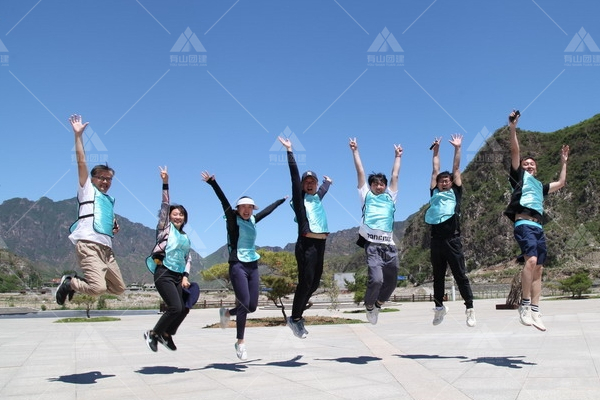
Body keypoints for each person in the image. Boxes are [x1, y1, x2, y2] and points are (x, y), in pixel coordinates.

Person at [202, 171, 286, 360]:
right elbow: (224, 203)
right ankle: (240, 342)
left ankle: (227, 313)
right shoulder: (233, 221)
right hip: (238, 265)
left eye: (250, 207)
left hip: (252, 265)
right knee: (244, 304)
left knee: (252, 306)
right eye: (243, 207)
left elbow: (267, 211)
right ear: (238, 209)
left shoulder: (254, 220)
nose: (247, 210)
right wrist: (213, 183)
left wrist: (281, 201)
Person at [504, 111, 569, 332]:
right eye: (526, 164)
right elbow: (515, 150)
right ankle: (523, 305)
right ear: (521, 168)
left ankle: (535, 309)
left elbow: (561, 182)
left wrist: (563, 162)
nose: (529, 166)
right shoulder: (518, 178)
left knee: (539, 268)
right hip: (523, 224)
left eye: (532, 164)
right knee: (530, 261)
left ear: (536, 168)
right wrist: (513, 128)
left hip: (538, 227)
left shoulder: (540, 187)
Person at [56, 114, 126, 305]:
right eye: (101, 178)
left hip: (106, 250)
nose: (105, 182)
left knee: (119, 288)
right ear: (93, 179)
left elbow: (104, 218)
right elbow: (81, 161)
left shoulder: (109, 200)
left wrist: (114, 225)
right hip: (88, 244)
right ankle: (70, 283)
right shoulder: (86, 189)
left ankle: (79, 283)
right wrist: (78, 136)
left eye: (109, 179)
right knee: (97, 289)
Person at [278, 136, 332, 339]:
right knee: (306, 281)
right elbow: (294, 177)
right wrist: (290, 151)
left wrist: (327, 182)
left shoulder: (317, 197)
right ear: (302, 186)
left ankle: (297, 316)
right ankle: (295, 318)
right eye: (306, 182)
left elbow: (323, 190)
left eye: (313, 182)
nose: (310, 184)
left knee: (315, 283)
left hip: (321, 244)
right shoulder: (300, 199)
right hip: (307, 243)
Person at [349, 138, 401, 325]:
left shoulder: (390, 197)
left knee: (392, 282)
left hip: (389, 246)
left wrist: (397, 156)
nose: (379, 186)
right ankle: (370, 306)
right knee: (377, 280)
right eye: (375, 183)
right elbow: (360, 171)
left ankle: (379, 303)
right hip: (372, 245)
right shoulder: (366, 195)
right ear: (370, 186)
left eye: (382, 184)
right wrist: (355, 151)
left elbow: (395, 176)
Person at [425, 134, 475, 327]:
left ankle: (469, 308)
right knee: (437, 276)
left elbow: (455, 168)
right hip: (436, 241)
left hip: (453, 240)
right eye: (441, 181)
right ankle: (439, 308)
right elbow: (434, 168)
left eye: (447, 180)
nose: (444, 182)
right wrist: (436, 151)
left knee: (460, 274)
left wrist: (458, 148)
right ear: (437, 184)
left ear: (451, 183)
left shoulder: (456, 192)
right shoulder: (434, 193)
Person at [143, 166, 192, 352]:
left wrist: (186, 276)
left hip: (178, 276)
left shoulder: (185, 237)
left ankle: (165, 334)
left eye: (181, 214)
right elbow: (164, 205)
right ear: (169, 217)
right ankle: (153, 333)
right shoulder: (165, 228)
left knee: (184, 308)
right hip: (163, 272)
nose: (178, 216)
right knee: (174, 307)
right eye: (175, 213)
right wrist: (165, 182)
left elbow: (188, 258)